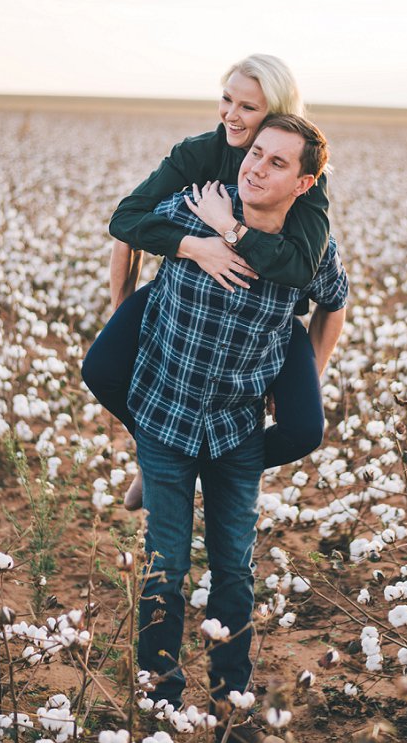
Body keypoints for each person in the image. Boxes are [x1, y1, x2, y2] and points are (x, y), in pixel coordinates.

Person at [118, 115, 348, 743]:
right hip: (165, 419)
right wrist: (127, 305)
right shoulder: (194, 207)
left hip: (235, 432)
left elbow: (335, 302)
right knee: (166, 566)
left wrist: (304, 380)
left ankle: (230, 709)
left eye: (278, 162)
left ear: (303, 184)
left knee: (233, 573)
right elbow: (128, 231)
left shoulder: (307, 254)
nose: (256, 167)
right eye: (256, 153)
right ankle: (160, 705)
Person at [81, 55, 331, 511]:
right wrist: (194, 248)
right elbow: (127, 221)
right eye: (227, 99)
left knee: (303, 428)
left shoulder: (303, 173)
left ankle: (215, 464)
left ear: (276, 114)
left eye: (248, 107)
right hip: (186, 297)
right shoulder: (198, 152)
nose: (231, 115)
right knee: (101, 369)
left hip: (267, 316)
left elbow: (304, 270)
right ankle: (159, 455)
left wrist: (231, 232)